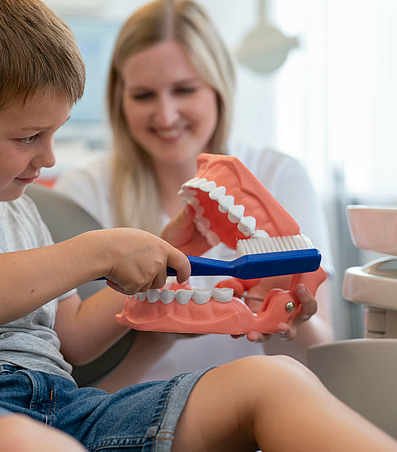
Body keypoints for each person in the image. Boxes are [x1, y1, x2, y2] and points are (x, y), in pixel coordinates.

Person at [0, 0, 397, 451]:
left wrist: (166, 249)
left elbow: (76, 340)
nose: (49, 158)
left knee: (274, 384)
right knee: (23, 443)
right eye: (28, 137)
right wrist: (99, 250)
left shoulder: (16, 206)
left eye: (54, 135)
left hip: (58, 404)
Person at [53, 0, 335, 391]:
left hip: (262, 412)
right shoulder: (80, 194)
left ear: (219, 87)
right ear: (120, 100)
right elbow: (78, 392)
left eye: (184, 89)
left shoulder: (280, 176)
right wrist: (163, 332)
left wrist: (286, 320)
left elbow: (323, 368)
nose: (166, 116)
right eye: (143, 96)